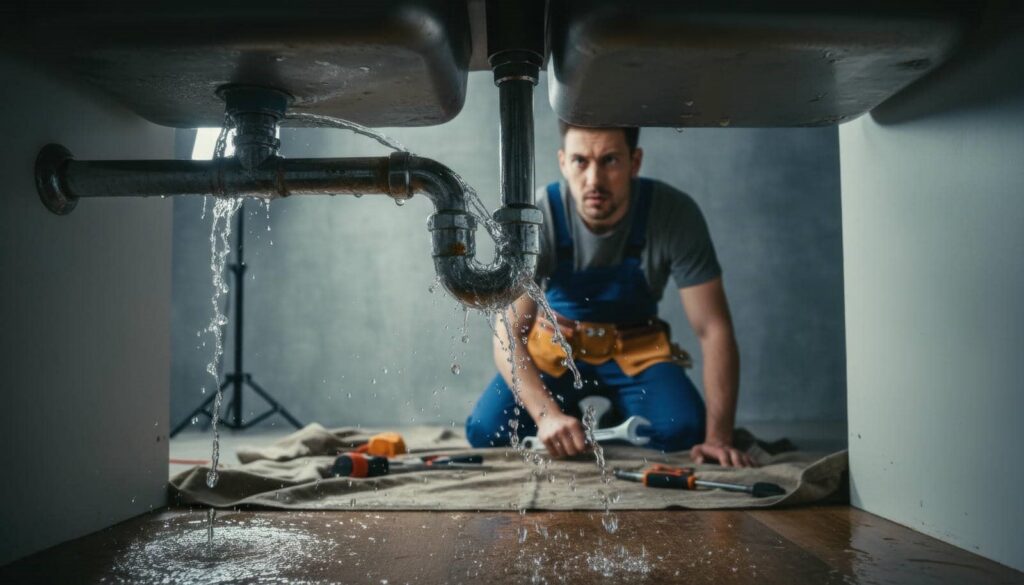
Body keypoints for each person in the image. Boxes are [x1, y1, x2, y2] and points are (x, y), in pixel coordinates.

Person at [466, 122, 753, 468]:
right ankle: (566, 415)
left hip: (636, 353)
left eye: (610, 161)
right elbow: (507, 333)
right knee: (487, 432)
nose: (594, 181)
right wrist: (547, 416)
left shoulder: (674, 215)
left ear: (635, 161)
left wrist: (719, 439)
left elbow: (713, 328)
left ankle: (617, 417)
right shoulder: (537, 218)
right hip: (555, 351)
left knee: (684, 431)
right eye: (580, 161)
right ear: (562, 161)